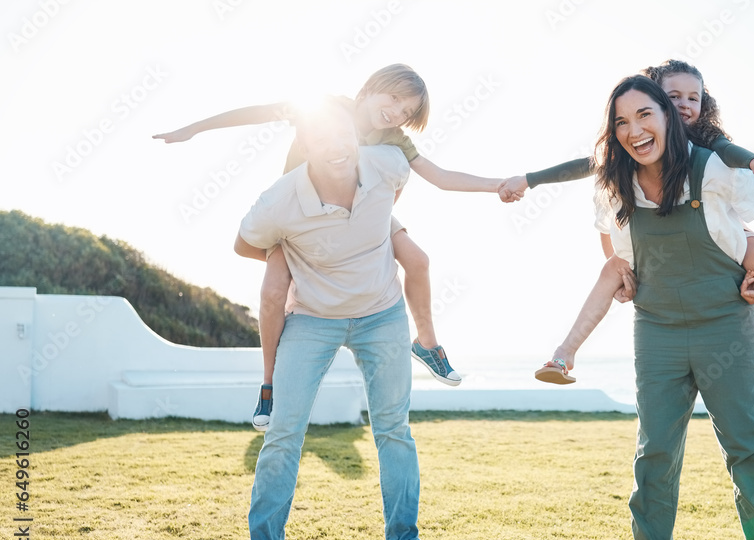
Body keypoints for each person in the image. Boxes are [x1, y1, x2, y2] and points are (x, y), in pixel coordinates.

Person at [155, 64, 508, 430]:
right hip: (299, 217)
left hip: (358, 215)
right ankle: (269, 384)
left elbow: (441, 177)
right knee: (274, 291)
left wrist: (497, 184)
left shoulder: (394, 139)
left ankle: (427, 344)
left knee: (417, 260)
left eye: (407, 112)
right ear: (372, 87)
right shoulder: (323, 108)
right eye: (395, 99)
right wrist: (193, 129)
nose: (397, 113)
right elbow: (258, 113)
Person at [500, 60, 754, 390]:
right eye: (673, 97)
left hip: (722, 228)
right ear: (656, 102)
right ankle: (563, 355)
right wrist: (529, 180)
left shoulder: (707, 141)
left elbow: (734, 156)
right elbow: (590, 176)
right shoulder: (626, 156)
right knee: (611, 268)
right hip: (658, 254)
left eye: (693, 97)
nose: (684, 104)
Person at [592, 74, 754, 540]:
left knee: (750, 446)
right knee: (655, 452)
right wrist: (622, 275)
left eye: (685, 100)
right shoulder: (619, 177)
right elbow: (611, 239)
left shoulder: (712, 163)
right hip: (659, 331)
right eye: (626, 119)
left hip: (725, 326)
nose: (641, 125)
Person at [228, 98, 443, 540]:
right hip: (313, 319)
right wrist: (285, 248)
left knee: (394, 430)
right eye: (321, 138)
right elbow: (244, 243)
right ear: (305, 145)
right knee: (283, 433)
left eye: (343, 135)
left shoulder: (387, 164)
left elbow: (391, 200)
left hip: (382, 314)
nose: (337, 146)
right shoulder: (280, 199)